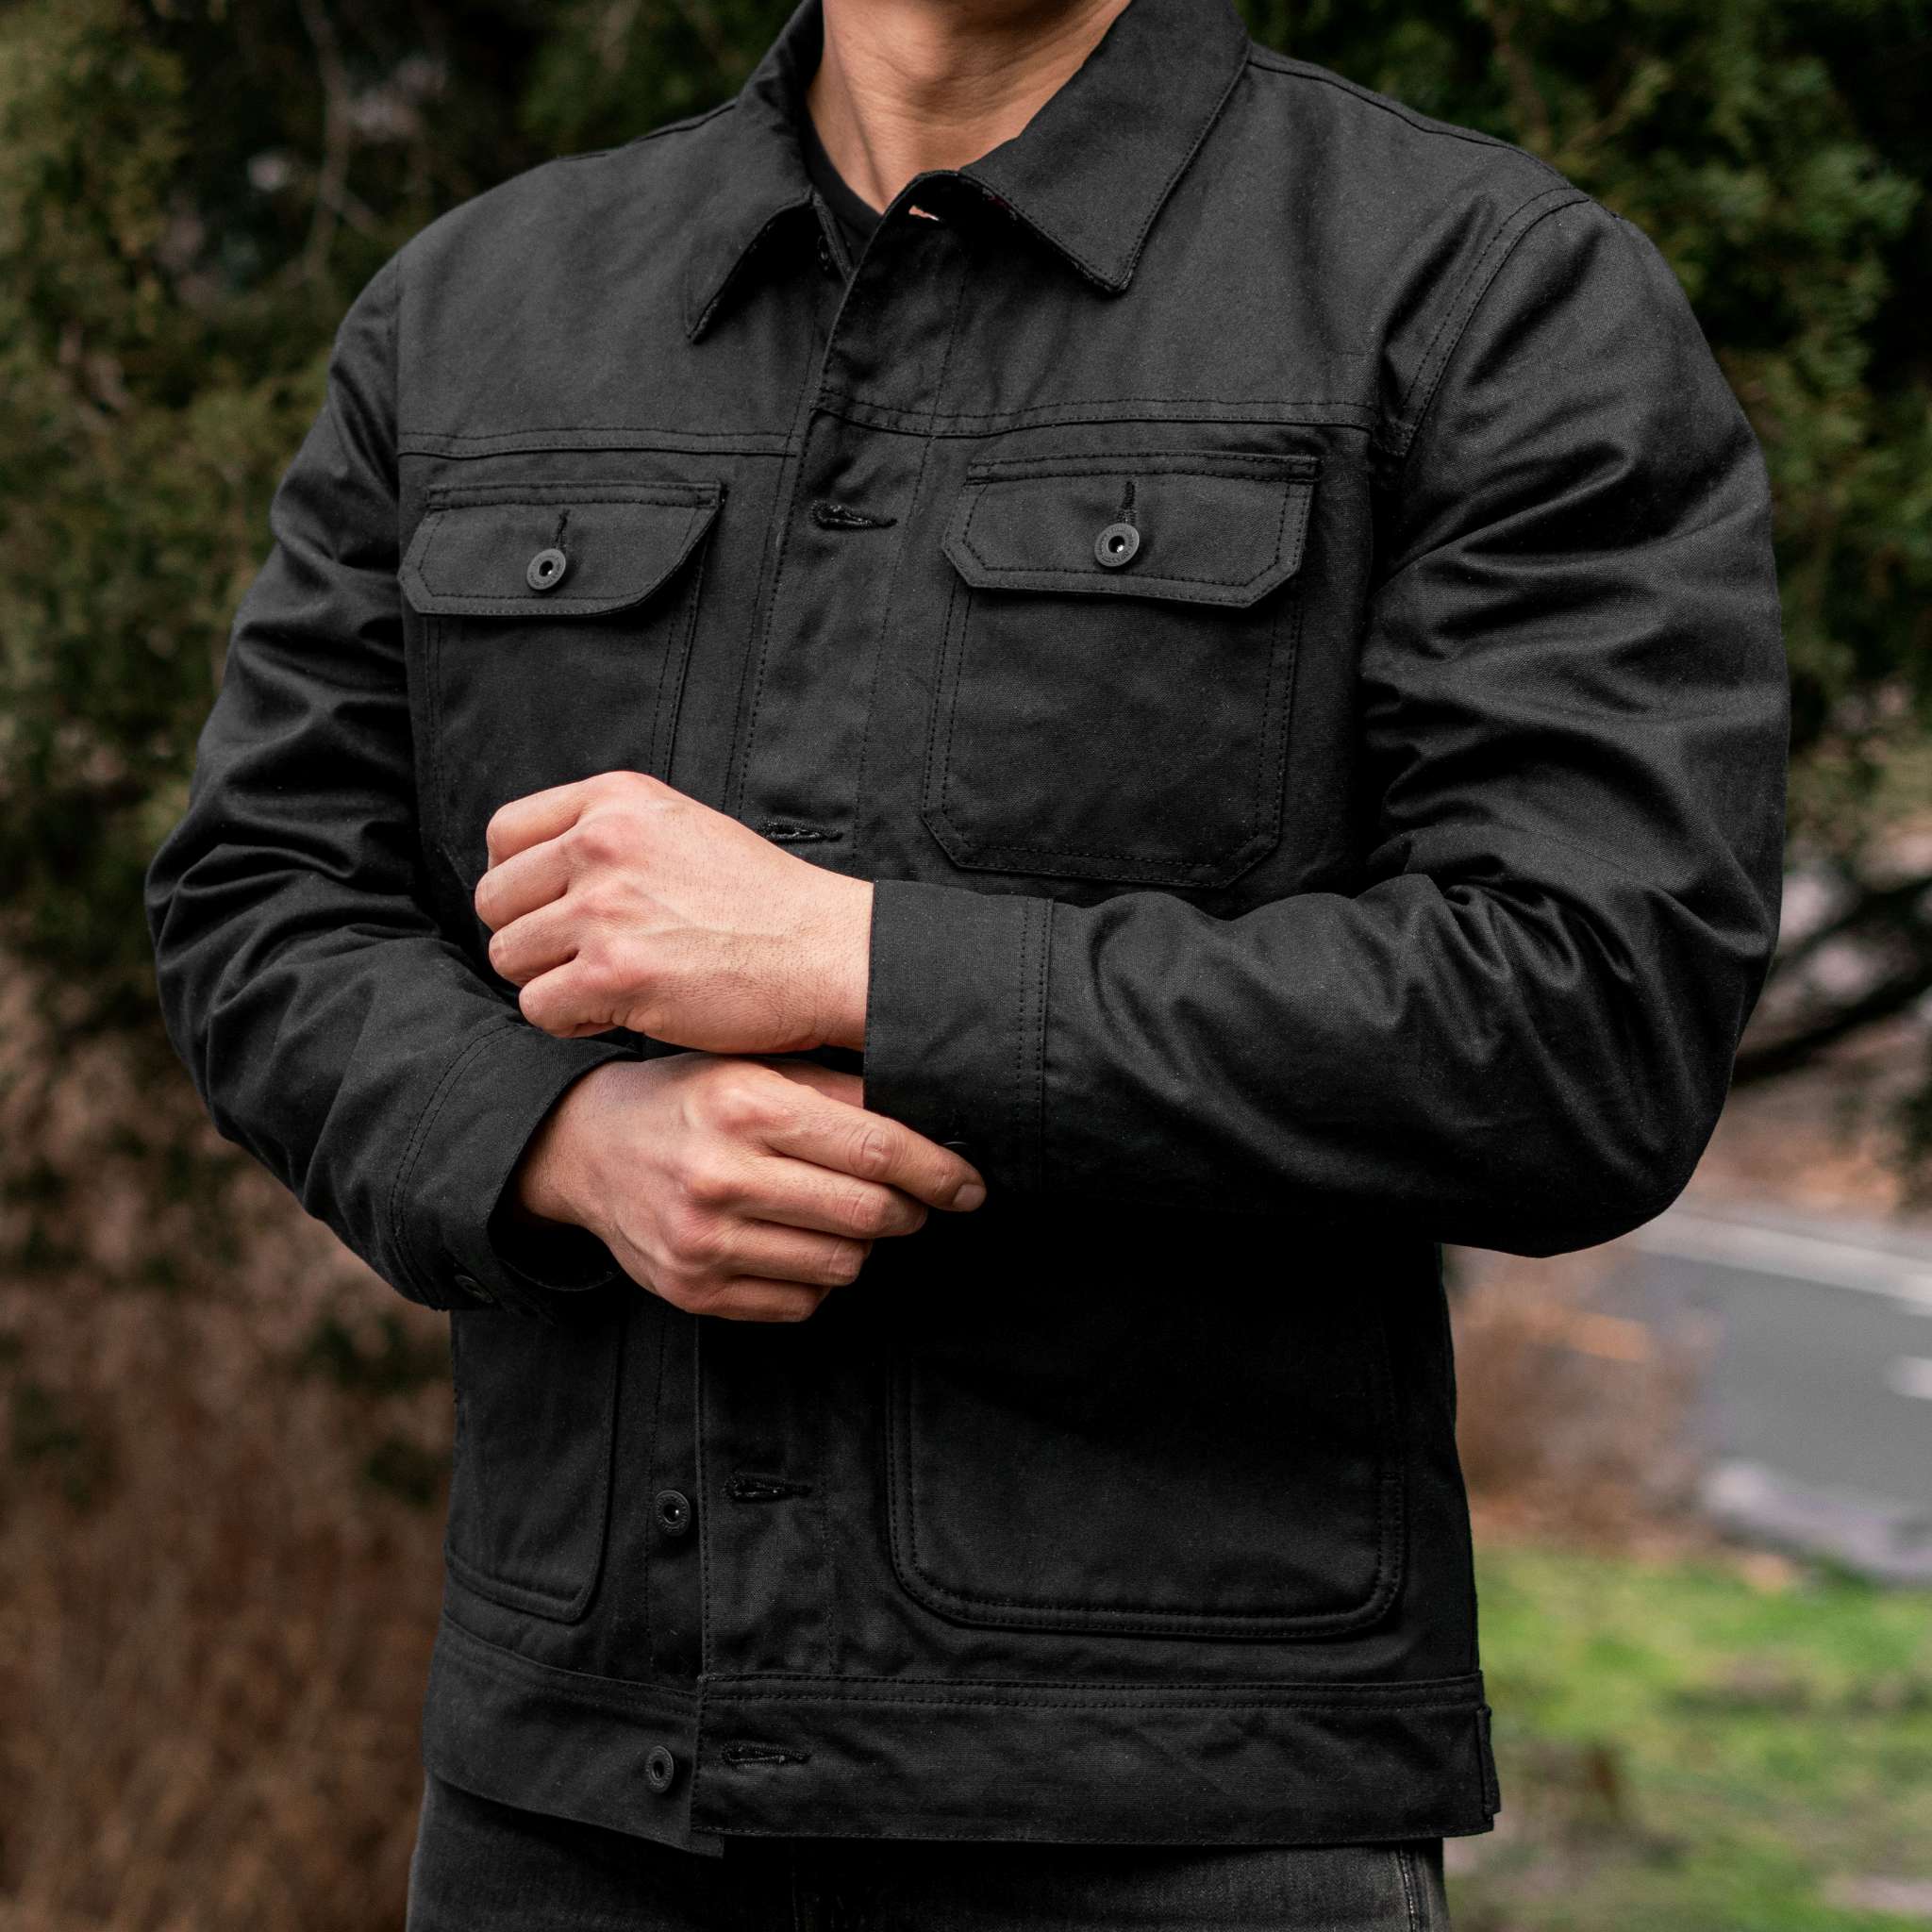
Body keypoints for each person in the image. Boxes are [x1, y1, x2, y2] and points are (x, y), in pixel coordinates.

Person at [142, 0, 1791, 1923]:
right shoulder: (474, 313)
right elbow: (258, 896)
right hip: (575, 1809)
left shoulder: (1479, 292)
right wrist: (562, 1144)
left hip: (1187, 1823)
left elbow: (1589, 1014)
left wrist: (863, 963)